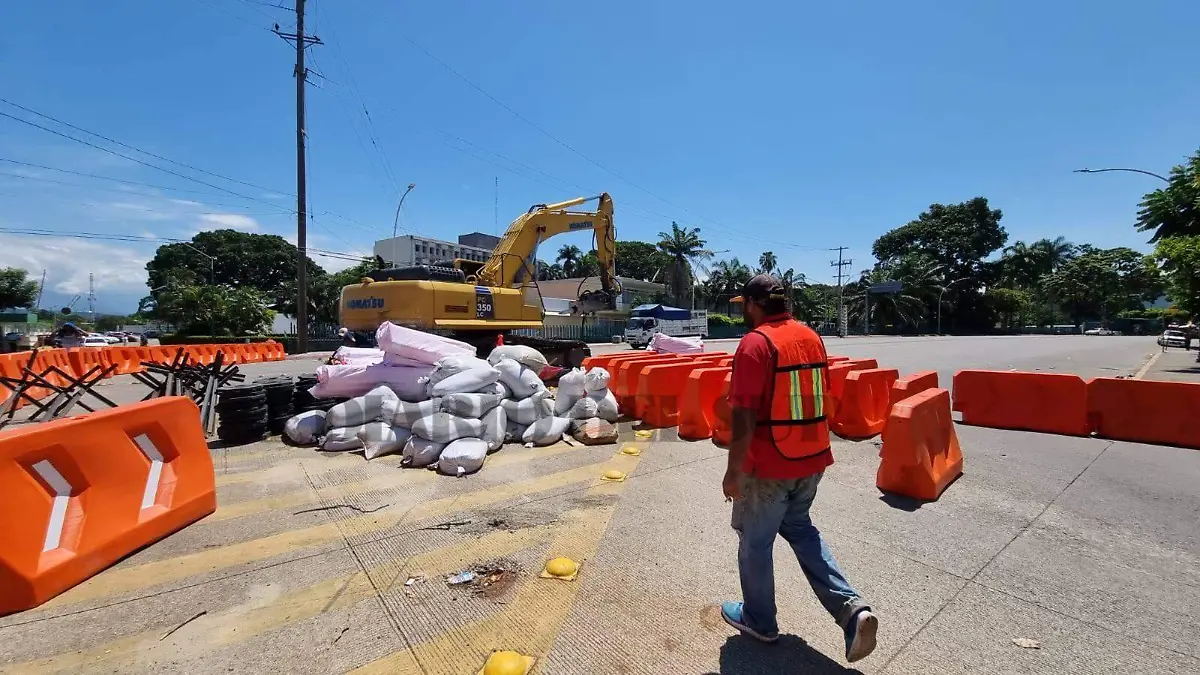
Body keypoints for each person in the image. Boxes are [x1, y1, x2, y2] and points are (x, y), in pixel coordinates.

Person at [719, 274, 878, 662]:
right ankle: (851, 610)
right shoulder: (810, 336)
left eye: (745, 306)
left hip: (770, 465)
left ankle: (759, 620)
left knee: (755, 544)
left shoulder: (756, 343)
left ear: (756, 304)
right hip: (812, 457)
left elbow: (744, 415)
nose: (744, 312)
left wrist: (734, 470)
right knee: (801, 531)